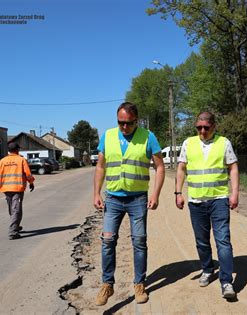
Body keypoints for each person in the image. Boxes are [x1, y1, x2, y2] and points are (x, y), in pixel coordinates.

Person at [93, 102, 165, 306]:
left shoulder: (148, 137)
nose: (124, 127)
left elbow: (160, 167)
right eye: (120, 123)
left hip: (137, 199)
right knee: (107, 240)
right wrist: (96, 193)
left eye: (129, 123)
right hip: (113, 198)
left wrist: (156, 194)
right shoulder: (107, 136)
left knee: (139, 241)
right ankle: (107, 284)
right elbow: (100, 166)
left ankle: (139, 283)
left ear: (137, 120)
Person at [175, 111, 239, 299]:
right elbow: (181, 168)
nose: (202, 131)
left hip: (219, 200)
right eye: (199, 127)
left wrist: (234, 193)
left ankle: (226, 282)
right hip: (196, 202)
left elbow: (233, 167)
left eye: (206, 127)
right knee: (202, 241)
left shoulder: (224, 143)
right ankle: (208, 269)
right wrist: (178, 192)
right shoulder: (188, 143)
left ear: (214, 126)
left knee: (223, 241)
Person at [0, 142, 35, 240]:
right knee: (16, 209)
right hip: (17, 188)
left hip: (6, 189)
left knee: (12, 208)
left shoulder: (2, 161)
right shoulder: (21, 160)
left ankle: (16, 225)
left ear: (9, 151)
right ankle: (13, 232)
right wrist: (31, 182)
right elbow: (28, 174)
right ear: (17, 150)